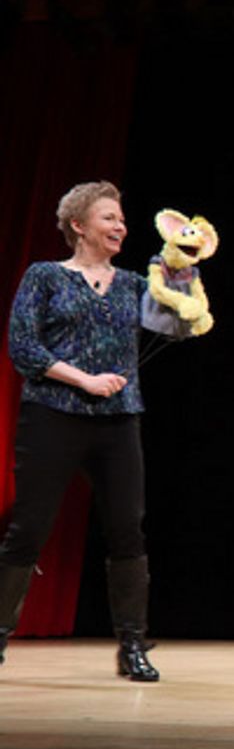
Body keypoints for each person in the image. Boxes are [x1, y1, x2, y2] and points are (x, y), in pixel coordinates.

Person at [0, 181, 164, 681]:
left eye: (121, 218)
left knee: (126, 528)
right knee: (29, 528)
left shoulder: (135, 283)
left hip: (118, 420)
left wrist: (180, 275)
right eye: (109, 218)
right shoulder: (46, 277)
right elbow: (22, 346)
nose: (120, 226)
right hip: (54, 414)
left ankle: (133, 645)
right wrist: (84, 379)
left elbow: (178, 325)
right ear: (79, 225)